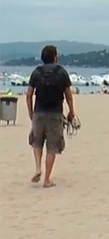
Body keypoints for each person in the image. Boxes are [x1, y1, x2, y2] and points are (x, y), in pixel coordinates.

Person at [26, 45, 76, 188]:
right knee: (52, 147)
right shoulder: (61, 72)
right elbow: (68, 96)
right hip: (55, 113)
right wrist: (72, 112)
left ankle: (37, 168)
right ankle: (47, 180)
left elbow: (29, 95)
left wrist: (31, 113)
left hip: (39, 112)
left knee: (37, 142)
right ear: (55, 57)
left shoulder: (36, 72)